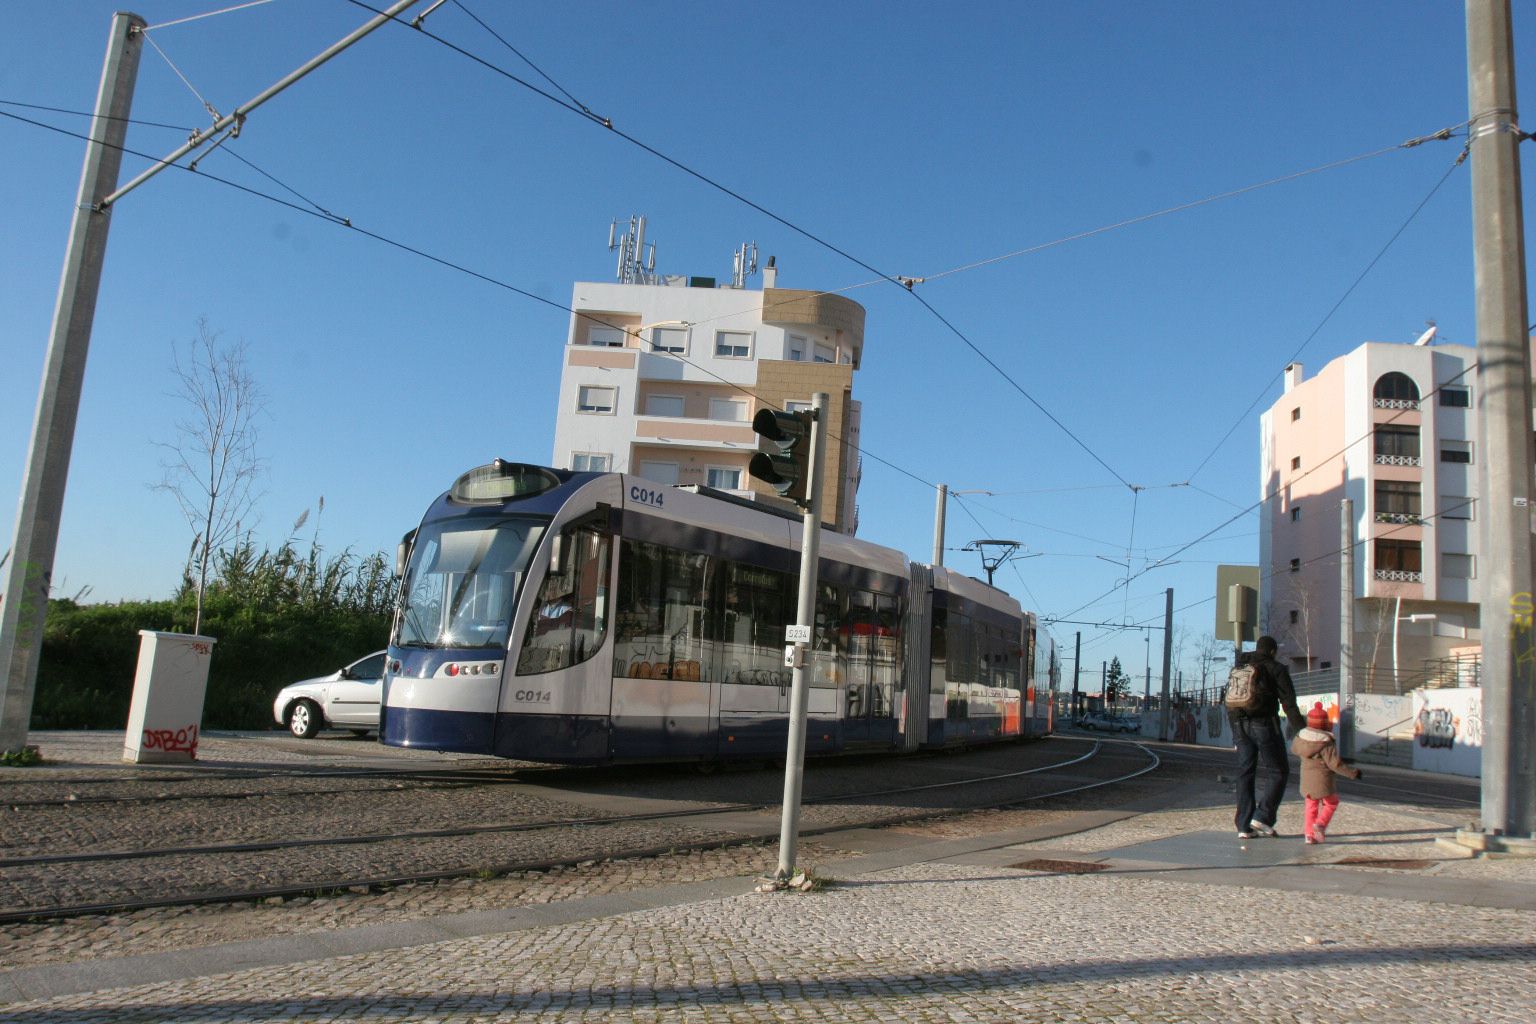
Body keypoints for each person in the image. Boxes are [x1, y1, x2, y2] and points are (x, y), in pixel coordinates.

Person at [1230, 635, 1306, 839]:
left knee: (1245, 772)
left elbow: (1230, 700)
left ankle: (1243, 826)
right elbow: (1289, 702)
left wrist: (1234, 732)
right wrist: (1301, 729)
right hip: (1264, 724)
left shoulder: (1240, 668)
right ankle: (1262, 817)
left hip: (1240, 724)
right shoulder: (1277, 669)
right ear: (1273, 651)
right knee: (1279, 770)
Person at [1290, 701, 1362, 843]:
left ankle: (1309, 835)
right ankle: (1321, 824)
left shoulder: (1301, 738)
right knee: (1331, 802)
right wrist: (1353, 773)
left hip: (1306, 780)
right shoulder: (1325, 742)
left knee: (1310, 807)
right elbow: (1335, 764)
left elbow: (1294, 750)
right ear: (1324, 723)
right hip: (1323, 780)